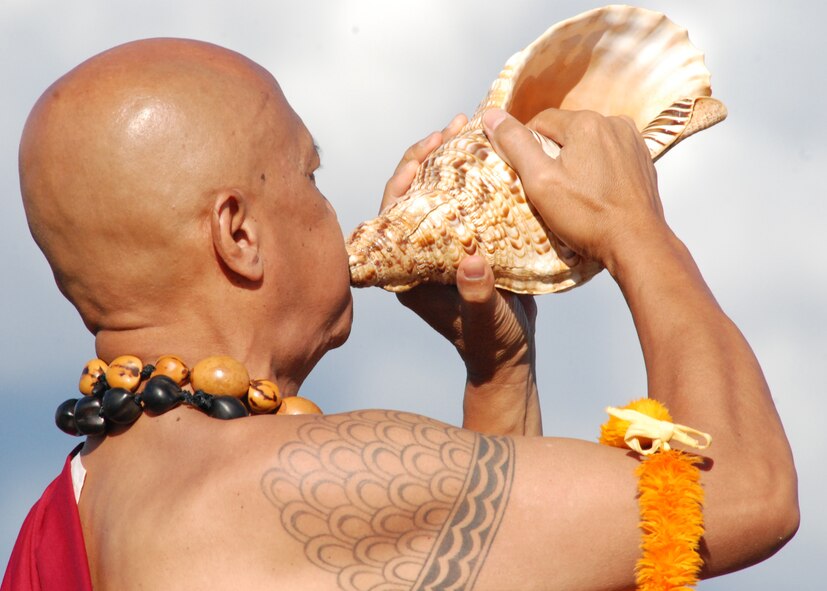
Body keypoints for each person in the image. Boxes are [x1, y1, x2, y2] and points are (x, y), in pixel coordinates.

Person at [3, 38, 797, 591]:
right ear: (238, 233)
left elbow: (503, 564)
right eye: (309, 176)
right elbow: (745, 493)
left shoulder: (92, 502)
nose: (328, 203)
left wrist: (499, 373)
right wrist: (635, 230)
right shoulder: (294, 476)